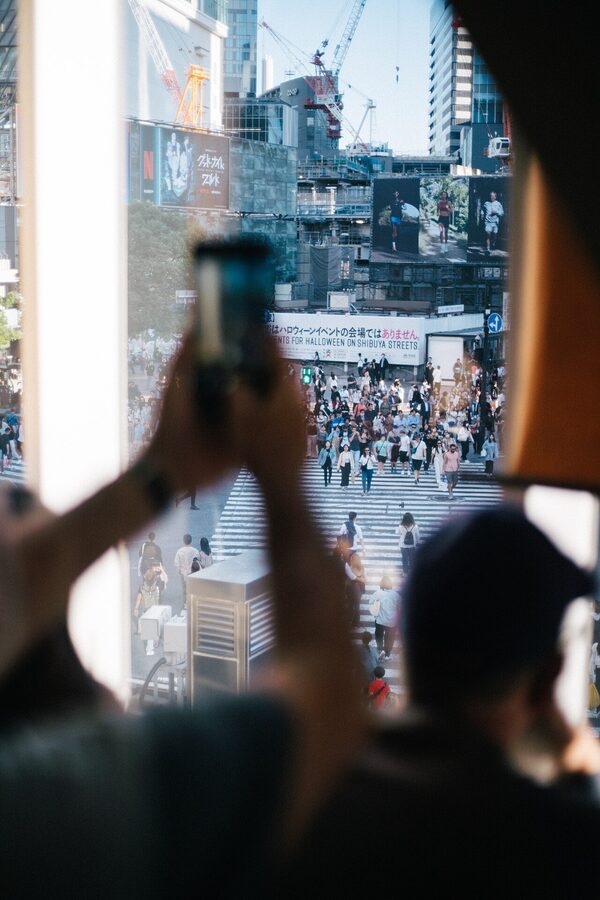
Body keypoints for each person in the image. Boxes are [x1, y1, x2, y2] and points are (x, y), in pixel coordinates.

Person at [0, 330, 365, 898]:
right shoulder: (64, 798)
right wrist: (279, 477)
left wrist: (161, 471)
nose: (44, 522)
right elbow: (324, 707)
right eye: (21, 502)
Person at [285, 507, 600, 897]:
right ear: (551, 676)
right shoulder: (564, 846)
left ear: (403, 636)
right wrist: (576, 776)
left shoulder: (303, 804)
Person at [134, 557, 163, 655]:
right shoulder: (158, 584)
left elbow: (139, 597)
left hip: (146, 609)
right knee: (154, 627)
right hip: (155, 610)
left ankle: (150, 646)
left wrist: (136, 608)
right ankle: (150, 648)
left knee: (148, 624)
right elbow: (164, 582)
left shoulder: (142, 587)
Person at [369, 575, 401, 661]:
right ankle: (387, 654)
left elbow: (371, 602)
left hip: (380, 620)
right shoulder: (395, 595)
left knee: (378, 635)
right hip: (392, 622)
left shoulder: (378, 593)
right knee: (390, 638)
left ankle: (380, 650)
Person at [174, 533, 200, 604]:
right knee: (193, 589)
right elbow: (198, 561)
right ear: (191, 541)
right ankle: (193, 603)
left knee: (185, 589)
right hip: (193, 573)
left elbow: (176, 563)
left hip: (183, 573)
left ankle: (186, 603)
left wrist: (179, 570)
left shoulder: (179, 551)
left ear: (183, 541)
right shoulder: (195, 551)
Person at [481, 190, 505, 254]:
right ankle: (488, 249)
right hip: (487, 222)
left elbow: (502, 213)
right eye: (490, 196)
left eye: (493, 196)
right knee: (488, 234)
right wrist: (482, 214)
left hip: (495, 223)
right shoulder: (486, 203)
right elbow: (482, 209)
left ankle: (493, 243)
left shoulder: (498, 204)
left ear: (495, 197)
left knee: (494, 235)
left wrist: (496, 212)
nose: (491, 197)